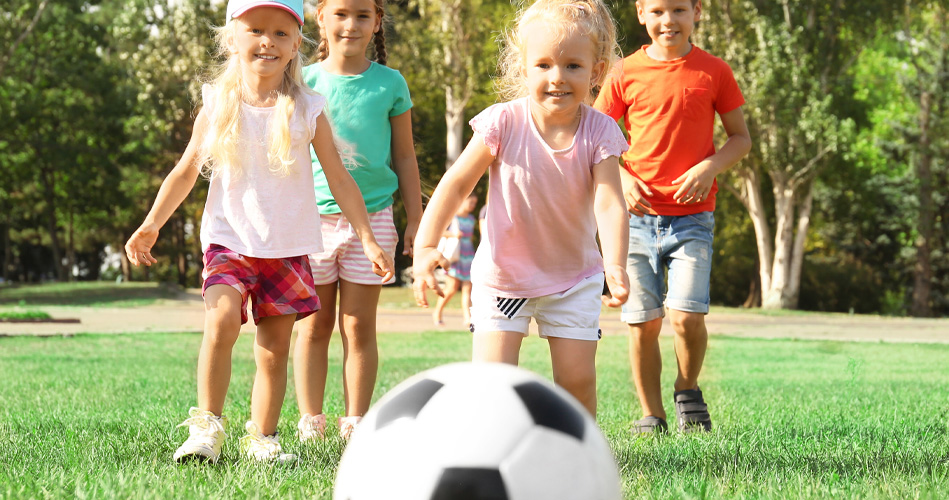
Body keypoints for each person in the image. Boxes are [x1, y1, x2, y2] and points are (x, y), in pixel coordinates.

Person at [124, 0, 394, 463]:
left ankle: (261, 439)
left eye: (281, 33)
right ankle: (206, 428)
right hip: (229, 240)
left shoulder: (308, 107)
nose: (267, 41)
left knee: (273, 350)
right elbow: (186, 170)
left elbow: (339, 178)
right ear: (232, 37)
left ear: (296, 46)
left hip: (286, 247)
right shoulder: (218, 102)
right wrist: (151, 224)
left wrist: (367, 235)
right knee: (222, 321)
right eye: (255, 30)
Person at [413, 0, 630, 416]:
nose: (557, 78)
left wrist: (616, 264)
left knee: (577, 382)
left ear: (596, 72)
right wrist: (425, 245)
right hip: (505, 279)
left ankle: (577, 459)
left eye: (573, 66)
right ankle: (490, 457)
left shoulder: (600, 130)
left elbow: (609, 200)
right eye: (544, 65)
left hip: (574, 280)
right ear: (523, 67)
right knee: (492, 385)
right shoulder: (503, 122)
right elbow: (457, 182)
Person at [593, 0, 752, 435]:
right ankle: (651, 415)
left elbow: (740, 139)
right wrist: (622, 177)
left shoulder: (714, 71)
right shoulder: (623, 72)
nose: (669, 21)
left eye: (679, 9)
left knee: (686, 316)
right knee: (643, 323)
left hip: (693, 219)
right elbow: (596, 139)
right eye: (658, 11)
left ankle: (687, 388)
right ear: (642, 13)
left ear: (697, 12)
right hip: (636, 221)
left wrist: (710, 166)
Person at [292, 0, 422, 442]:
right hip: (311, 223)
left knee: (357, 326)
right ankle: (311, 421)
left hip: (376, 220)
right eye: (342, 13)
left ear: (377, 22)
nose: (351, 24)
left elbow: (404, 156)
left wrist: (415, 220)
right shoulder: (302, 81)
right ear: (320, 18)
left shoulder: (390, 84)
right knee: (314, 325)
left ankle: (357, 423)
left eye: (363, 15)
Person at [431, 193, 478, 328]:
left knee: (468, 289)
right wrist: (453, 234)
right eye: (471, 202)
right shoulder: (453, 217)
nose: (473, 206)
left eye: (474, 203)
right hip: (455, 255)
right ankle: (437, 313)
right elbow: (439, 232)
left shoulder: (471, 218)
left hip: (468, 255)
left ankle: (467, 317)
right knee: (451, 288)